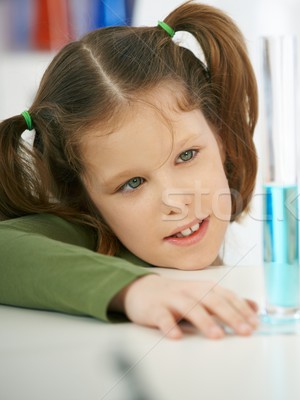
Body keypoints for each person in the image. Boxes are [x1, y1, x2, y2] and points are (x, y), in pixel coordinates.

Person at [0, 2, 261, 339]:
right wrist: (136, 289)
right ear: (84, 198)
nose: (176, 201)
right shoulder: (91, 239)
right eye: (133, 183)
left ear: (221, 135)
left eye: (186, 155)